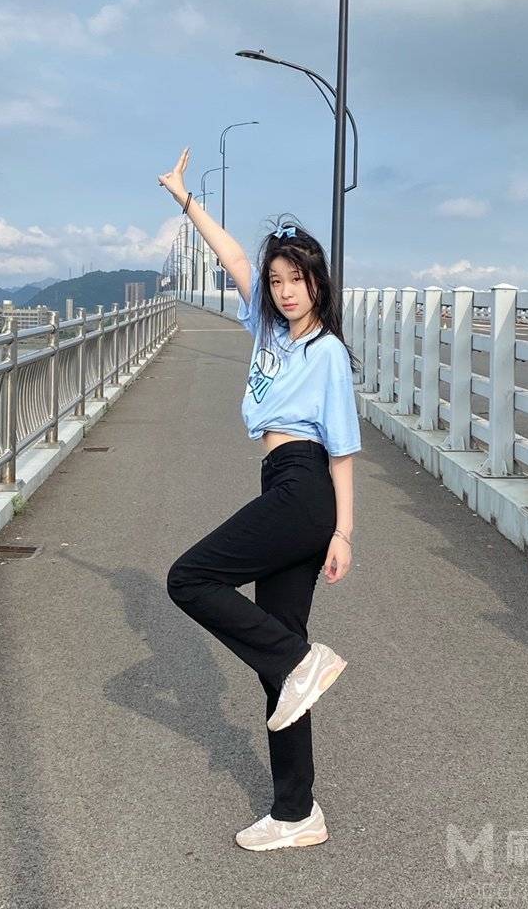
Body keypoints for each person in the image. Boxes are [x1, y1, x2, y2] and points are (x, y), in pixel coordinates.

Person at [159, 147, 362, 852]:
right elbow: (234, 258)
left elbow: (342, 450)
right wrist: (185, 199)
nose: (283, 291)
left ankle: (299, 661)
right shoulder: (269, 331)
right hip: (282, 484)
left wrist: (343, 532)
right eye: (276, 281)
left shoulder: (327, 352)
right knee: (283, 665)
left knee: (189, 577)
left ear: (317, 282)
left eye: (296, 279)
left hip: (305, 486)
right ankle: (296, 812)